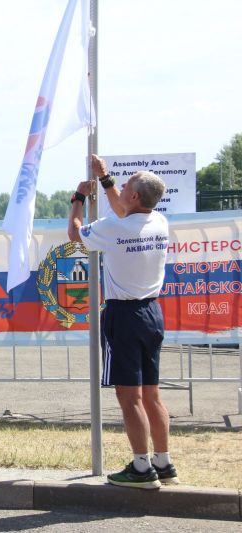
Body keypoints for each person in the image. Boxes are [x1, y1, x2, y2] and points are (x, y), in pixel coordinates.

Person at [68, 154, 178, 489]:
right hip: (151, 313)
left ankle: (141, 468)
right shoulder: (158, 221)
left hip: (124, 314)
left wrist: (77, 199)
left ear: (134, 195)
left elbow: (75, 234)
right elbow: (122, 210)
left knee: (128, 396)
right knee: (152, 395)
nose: (123, 185)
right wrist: (106, 180)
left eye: (126, 183)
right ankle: (163, 462)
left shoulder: (114, 227)